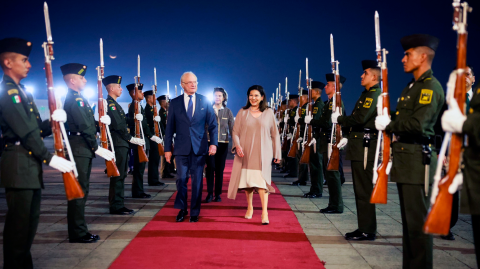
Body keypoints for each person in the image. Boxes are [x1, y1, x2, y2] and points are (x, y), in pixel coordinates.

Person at [0, 37, 75, 268]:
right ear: (8, 62)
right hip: (18, 165)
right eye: (24, 60)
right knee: (18, 228)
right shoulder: (9, 92)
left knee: (28, 228)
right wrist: (49, 156)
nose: (28, 64)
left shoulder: (22, 91)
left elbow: (33, 129)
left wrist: (50, 121)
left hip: (27, 165)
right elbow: (24, 131)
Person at [375, 34, 444, 269]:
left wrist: (389, 124)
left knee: (418, 227)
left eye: (408, 54)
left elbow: (418, 125)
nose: (403, 59)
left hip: (418, 162)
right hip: (408, 160)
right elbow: (405, 118)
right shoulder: (412, 86)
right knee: (409, 226)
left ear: (423, 56)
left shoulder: (430, 88)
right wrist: (389, 117)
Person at [60, 63, 115, 243]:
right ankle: (78, 232)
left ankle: (79, 229)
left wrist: (100, 123)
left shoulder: (79, 98)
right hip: (80, 148)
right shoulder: (76, 100)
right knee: (78, 190)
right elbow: (83, 126)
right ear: (73, 80)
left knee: (82, 189)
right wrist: (96, 146)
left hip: (82, 147)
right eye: (82, 77)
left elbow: (88, 123)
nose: (85, 80)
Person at [332, 60, 381, 240]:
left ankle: (367, 229)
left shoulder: (373, 95)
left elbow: (359, 118)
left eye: (366, 73)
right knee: (360, 189)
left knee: (364, 189)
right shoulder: (366, 94)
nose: (362, 76)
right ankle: (364, 227)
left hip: (366, 146)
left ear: (374, 77)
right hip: (360, 144)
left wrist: (341, 120)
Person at [164, 71, 217, 223]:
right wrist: (167, 149)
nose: (193, 84)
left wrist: (213, 143)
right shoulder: (174, 103)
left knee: (197, 181)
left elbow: (213, 125)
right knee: (181, 179)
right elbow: (169, 129)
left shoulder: (204, 101)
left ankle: (195, 211)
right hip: (181, 149)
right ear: (182, 85)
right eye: (190, 82)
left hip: (199, 149)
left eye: (195, 82)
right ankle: (182, 208)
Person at [227, 85, 281, 225]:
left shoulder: (269, 112)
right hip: (244, 152)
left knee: (262, 182)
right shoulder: (242, 112)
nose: (253, 98)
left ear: (262, 97)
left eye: (256, 95)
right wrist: (237, 145)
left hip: (263, 153)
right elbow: (235, 132)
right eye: (251, 95)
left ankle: (264, 212)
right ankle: (249, 207)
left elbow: (275, 134)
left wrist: (277, 153)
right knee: (248, 183)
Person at [442, 77, 479, 268]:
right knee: (452, 192)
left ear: (473, 79)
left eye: (468, 74)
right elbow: (443, 127)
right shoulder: (452, 99)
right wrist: (443, 153)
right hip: (455, 151)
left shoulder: (476, 98)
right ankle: (448, 226)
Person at [104, 75, 144, 215]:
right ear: (112, 88)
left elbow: (123, 122)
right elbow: (118, 126)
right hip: (118, 143)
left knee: (121, 175)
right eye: (119, 87)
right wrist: (130, 138)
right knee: (118, 175)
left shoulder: (116, 104)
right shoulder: (110, 104)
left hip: (121, 143)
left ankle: (118, 203)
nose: (121, 89)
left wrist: (133, 118)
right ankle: (116, 205)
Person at [310, 74, 346, 214]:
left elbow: (327, 123)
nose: (325, 87)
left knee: (333, 175)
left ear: (335, 87)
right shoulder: (329, 102)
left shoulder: (336, 102)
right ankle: (333, 203)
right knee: (329, 174)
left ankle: (336, 205)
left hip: (331, 141)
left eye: (328, 84)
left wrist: (312, 122)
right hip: (326, 141)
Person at [127, 83, 162, 198]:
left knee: (141, 168)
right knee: (139, 168)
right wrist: (133, 120)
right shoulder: (134, 106)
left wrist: (151, 136)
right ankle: (137, 191)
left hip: (143, 140)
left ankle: (139, 190)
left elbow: (144, 125)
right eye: (140, 91)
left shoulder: (139, 106)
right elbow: (132, 124)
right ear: (133, 93)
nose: (142, 93)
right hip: (138, 141)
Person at [205, 87, 234, 203]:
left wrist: (236, 144)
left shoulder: (228, 111)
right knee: (210, 167)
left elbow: (233, 128)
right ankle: (209, 193)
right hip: (209, 142)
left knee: (220, 169)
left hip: (223, 143)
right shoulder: (207, 110)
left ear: (224, 97)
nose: (217, 97)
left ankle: (218, 194)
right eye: (215, 95)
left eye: (220, 95)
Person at [303, 81, 325, 198]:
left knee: (316, 165)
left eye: (311, 90)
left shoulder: (319, 105)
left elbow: (318, 123)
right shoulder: (314, 104)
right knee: (313, 165)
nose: (309, 92)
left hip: (317, 138)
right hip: (313, 138)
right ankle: (314, 188)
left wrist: (310, 121)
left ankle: (317, 190)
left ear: (316, 92)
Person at [143, 90, 165, 186]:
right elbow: (148, 124)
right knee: (153, 159)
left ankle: (155, 178)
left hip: (156, 136)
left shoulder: (152, 109)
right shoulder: (147, 109)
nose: (155, 98)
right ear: (148, 99)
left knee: (156, 159)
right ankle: (153, 180)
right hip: (152, 137)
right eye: (153, 97)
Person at [292, 89, 309, 186]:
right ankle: (301, 177)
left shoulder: (307, 107)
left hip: (304, 135)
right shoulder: (301, 108)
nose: (299, 98)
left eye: (301, 96)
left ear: (305, 97)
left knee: (303, 159)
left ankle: (303, 179)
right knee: (300, 158)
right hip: (300, 135)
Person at [157, 95, 175, 178]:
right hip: (164, 135)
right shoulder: (161, 112)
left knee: (170, 153)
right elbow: (163, 125)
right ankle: (165, 172)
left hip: (168, 135)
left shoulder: (166, 112)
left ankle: (169, 170)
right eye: (166, 101)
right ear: (162, 103)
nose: (168, 103)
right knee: (165, 155)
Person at [283, 95, 299, 178]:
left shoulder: (297, 110)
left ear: (293, 101)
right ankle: (291, 170)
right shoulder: (292, 110)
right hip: (290, 134)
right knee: (289, 153)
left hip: (294, 134)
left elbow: (295, 122)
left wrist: (289, 120)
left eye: (290, 101)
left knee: (293, 154)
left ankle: (294, 172)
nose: (288, 103)